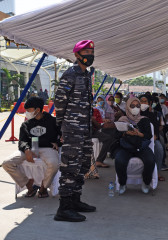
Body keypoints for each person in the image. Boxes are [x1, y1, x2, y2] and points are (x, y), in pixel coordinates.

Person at [54, 40, 96, 222]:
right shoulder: (70, 74)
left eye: (91, 51)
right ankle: (63, 208)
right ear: (77, 55)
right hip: (72, 129)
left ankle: (75, 200)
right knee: (70, 166)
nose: (89, 55)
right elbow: (60, 101)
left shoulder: (86, 75)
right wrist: (62, 125)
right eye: (86, 51)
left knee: (83, 165)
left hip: (85, 129)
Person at [2, 97, 60, 198]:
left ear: (37, 110)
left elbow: (65, 135)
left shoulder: (53, 121)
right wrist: (26, 149)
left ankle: (43, 187)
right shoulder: (26, 124)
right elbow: (22, 141)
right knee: (7, 163)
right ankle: (28, 184)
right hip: (29, 148)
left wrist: (58, 143)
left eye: (28, 110)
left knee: (54, 163)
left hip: (47, 148)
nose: (26, 113)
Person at [113, 97, 156, 194]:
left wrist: (138, 134)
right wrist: (126, 133)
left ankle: (146, 182)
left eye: (138, 106)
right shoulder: (123, 119)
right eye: (132, 106)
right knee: (119, 160)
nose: (135, 108)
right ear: (128, 107)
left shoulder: (144, 120)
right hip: (126, 147)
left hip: (141, 146)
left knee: (150, 159)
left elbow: (148, 135)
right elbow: (116, 135)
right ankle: (122, 183)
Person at [139, 95, 165, 181]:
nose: (143, 103)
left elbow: (156, 127)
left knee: (159, 149)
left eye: (145, 101)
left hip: (151, 138)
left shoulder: (152, 115)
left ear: (149, 103)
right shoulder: (134, 114)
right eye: (141, 101)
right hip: (138, 138)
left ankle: (157, 172)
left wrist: (155, 135)